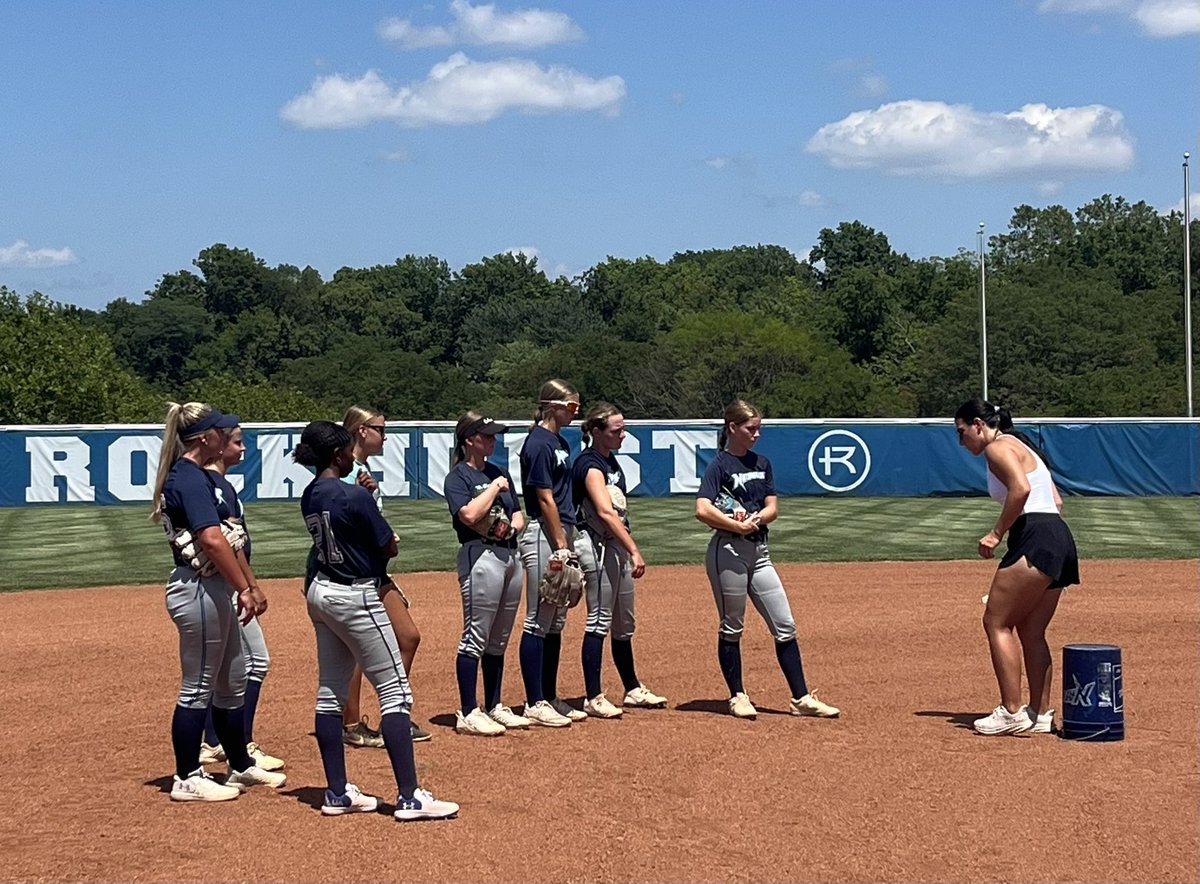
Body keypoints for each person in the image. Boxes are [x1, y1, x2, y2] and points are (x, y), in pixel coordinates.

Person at [295, 420, 458, 821]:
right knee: (395, 691)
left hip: (321, 590)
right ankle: (409, 797)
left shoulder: (309, 493)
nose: (353, 453)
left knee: (329, 693)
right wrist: (380, 529)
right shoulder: (355, 495)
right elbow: (387, 548)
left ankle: (336, 793)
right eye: (348, 448)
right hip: (356, 593)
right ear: (337, 454)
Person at [151, 402, 286, 802]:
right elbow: (211, 539)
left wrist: (247, 585)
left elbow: (226, 538)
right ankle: (186, 777)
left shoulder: (199, 477)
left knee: (233, 680)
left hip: (215, 589)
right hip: (196, 587)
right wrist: (244, 588)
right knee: (197, 688)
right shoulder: (188, 478)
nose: (227, 438)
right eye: (220, 433)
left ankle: (240, 766)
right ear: (205, 438)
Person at [695, 399, 841, 721]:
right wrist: (735, 525)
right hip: (728, 551)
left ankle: (801, 697)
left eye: (759, 428)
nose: (757, 434)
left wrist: (758, 519)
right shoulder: (719, 465)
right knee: (732, 625)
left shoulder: (762, 462)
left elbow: (773, 506)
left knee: (785, 624)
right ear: (732, 428)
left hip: (759, 553)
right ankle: (737, 695)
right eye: (751, 428)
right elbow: (703, 509)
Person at [954, 398, 1079, 736]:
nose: (961, 441)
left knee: (996, 622)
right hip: (1057, 536)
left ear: (979, 424)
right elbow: (1056, 501)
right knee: (1031, 630)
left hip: (1035, 535)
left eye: (962, 432)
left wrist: (997, 534)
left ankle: (1011, 711)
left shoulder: (998, 448)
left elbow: (1021, 489)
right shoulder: (1022, 446)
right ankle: (1039, 714)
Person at [338, 406, 431, 747]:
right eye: (380, 428)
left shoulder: (361, 470)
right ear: (362, 430)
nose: (385, 435)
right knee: (360, 650)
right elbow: (343, 522)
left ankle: (394, 715)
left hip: (375, 570)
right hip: (353, 573)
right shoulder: (347, 472)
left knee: (408, 637)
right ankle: (350, 725)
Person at [197, 421, 285, 772]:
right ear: (217, 445)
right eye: (237, 442)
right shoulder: (215, 485)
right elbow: (230, 546)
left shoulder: (220, 484)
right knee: (253, 663)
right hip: (226, 585)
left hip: (227, 584)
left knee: (221, 670)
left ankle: (214, 741)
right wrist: (249, 586)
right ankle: (237, 743)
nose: (243, 448)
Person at [572, 403, 667, 718]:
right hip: (597, 546)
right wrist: (634, 549)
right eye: (616, 430)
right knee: (599, 619)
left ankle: (632, 688)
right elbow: (603, 511)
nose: (623, 435)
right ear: (596, 432)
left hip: (615, 547)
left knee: (624, 622)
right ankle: (593, 695)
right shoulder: (589, 464)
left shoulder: (610, 462)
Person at [443, 411, 532, 735]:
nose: (493, 440)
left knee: (500, 637)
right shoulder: (459, 478)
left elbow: (519, 515)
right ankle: (469, 710)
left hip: (509, 555)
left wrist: (509, 528)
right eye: (487, 435)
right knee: (476, 636)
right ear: (469, 440)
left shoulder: (499, 470)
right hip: (479, 555)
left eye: (494, 436)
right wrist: (494, 488)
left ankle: (495, 705)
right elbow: (469, 514)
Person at [516, 379, 587, 727]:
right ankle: (533, 701)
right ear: (553, 405)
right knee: (538, 617)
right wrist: (561, 543)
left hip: (560, 531)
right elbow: (544, 496)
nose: (576, 412)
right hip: (544, 534)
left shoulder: (558, 441)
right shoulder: (539, 443)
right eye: (572, 406)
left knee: (556, 618)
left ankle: (549, 695)